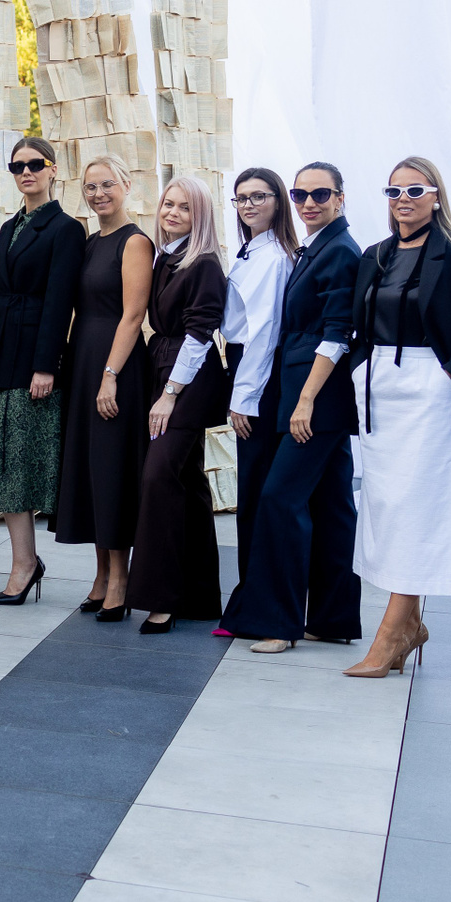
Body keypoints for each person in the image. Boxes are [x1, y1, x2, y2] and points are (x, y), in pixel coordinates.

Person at [342, 157, 451, 675]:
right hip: (379, 387)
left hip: (431, 387)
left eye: (415, 189)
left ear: (436, 195)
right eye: (394, 191)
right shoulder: (375, 254)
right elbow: (359, 326)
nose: (403, 199)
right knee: (387, 505)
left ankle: (391, 634)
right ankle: (410, 625)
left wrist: (447, 377)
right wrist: (362, 371)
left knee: (419, 504)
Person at [222, 162, 363, 654]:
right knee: (332, 506)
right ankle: (332, 618)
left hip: (315, 398)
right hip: (306, 393)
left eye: (320, 194)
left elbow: (338, 333)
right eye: (301, 194)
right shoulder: (316, 247)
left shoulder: (339, 251)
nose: (309, 203)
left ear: (340, 197)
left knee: (279, 499)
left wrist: (304, 401)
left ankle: (279, 623)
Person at [0, 138, 84, 607]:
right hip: (2, 355)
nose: (26, 172)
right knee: (4, 466)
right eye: (17, 165)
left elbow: (60, 302)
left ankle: (24, 565)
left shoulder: (66, 228)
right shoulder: (8, 226)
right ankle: (24, 561)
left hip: (33, 361)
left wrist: (46, 366)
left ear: (52, 169)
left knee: (20, 466)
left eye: (35, 164)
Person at [52, 154, 154, 622]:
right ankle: (100, 574)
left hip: (116, 366)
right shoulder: (91, 242)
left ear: (127, 185)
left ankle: (121, 579)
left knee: (113, 470)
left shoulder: (135, 242)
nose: (98, 194)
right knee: (92, 471)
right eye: (91, 187)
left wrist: (110, 375)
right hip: (84, 360)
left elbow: (133, 315)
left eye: (107, 184)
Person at [126, 177, 231, 633]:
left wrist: (170, 394)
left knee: (159, 478)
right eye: (168, 204)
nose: (172, 212)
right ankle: (201, 596)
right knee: (187, 482)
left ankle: (162, 598)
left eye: (184, 207)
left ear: (200, 215)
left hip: (186, 378)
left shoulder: (203, 263)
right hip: (161, 363)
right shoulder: (165, 256)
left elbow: (200, 335)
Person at [215, 167, 297, 635]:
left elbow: (264, 332)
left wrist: (244, 398)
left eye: (258, 197)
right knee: (252, 492)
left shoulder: (274, 257)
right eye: (241, 198)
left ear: (278, 201)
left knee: (257, 493)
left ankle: (257, 605)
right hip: (245, 366)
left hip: (258, 377)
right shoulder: (253, 250)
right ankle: (249, 599)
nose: (248, 205)